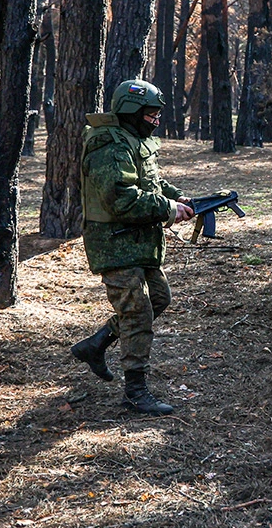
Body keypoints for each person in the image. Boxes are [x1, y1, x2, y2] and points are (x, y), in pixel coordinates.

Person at [70, 80, 194, 416]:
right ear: (130, 110)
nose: (155, 120)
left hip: (137, 241)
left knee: (158, 299)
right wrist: (167, 208)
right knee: (137, 312)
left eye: (156, 114)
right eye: (150, 113)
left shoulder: (133, 139)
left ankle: (96, 345)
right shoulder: (108, 145)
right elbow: (121, 198)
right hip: (114, 244)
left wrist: (175, 195)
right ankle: (135, 393)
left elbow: (148, 182)